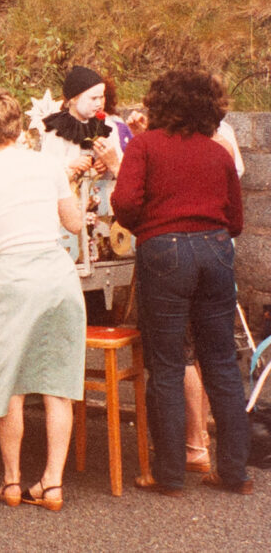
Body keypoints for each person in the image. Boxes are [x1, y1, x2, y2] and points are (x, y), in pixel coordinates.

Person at [112, 69, 252, 496]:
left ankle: (169, 474)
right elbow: (236, 221)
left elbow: (124, 202)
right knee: (223, 364)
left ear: (159, 102)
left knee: (168, 365)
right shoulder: (218, 152)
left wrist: (147, 229)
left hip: (164, 252)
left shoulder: (145, 147)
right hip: (215, 250)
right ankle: (234, 474)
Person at [0, 88, 85, 512]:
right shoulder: (48, 165)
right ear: (19, 127)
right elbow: (72, 221)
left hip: (15, 276)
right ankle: (52, 484)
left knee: (10, 383)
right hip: (57, 273)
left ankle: (12, 481)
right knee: (57, 385)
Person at [40, 66, 122, 177]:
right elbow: (46, 168)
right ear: (73, 99)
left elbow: (118, 159)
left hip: (100, 190)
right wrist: (69, 165)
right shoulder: (58, 130)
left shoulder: (107, 126)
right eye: (93, 98)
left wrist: (105, 163)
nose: (99, 104)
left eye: (101, 97)